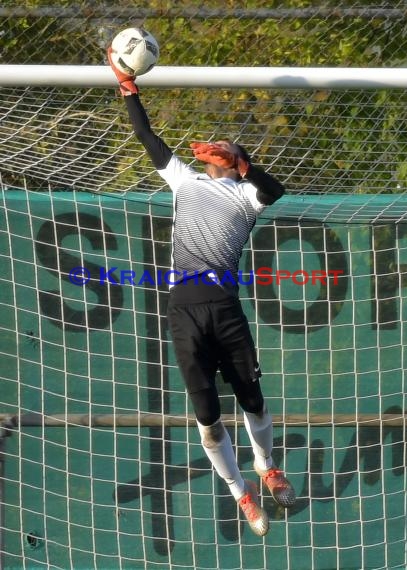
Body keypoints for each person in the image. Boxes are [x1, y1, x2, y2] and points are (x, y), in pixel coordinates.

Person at [108, 48, 296, 537]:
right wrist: (129, 90)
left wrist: (243, 162)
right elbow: (147, 138)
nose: (212, 152)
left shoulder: (247, 194)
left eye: (222, 151)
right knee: (208, 418)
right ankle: (242, 496)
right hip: (184, 308)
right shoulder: (183, 180)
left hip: (225, 304)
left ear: (233, 164)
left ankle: (267, 466)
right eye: (212, 148)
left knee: (252, 399)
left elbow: (274, 190)